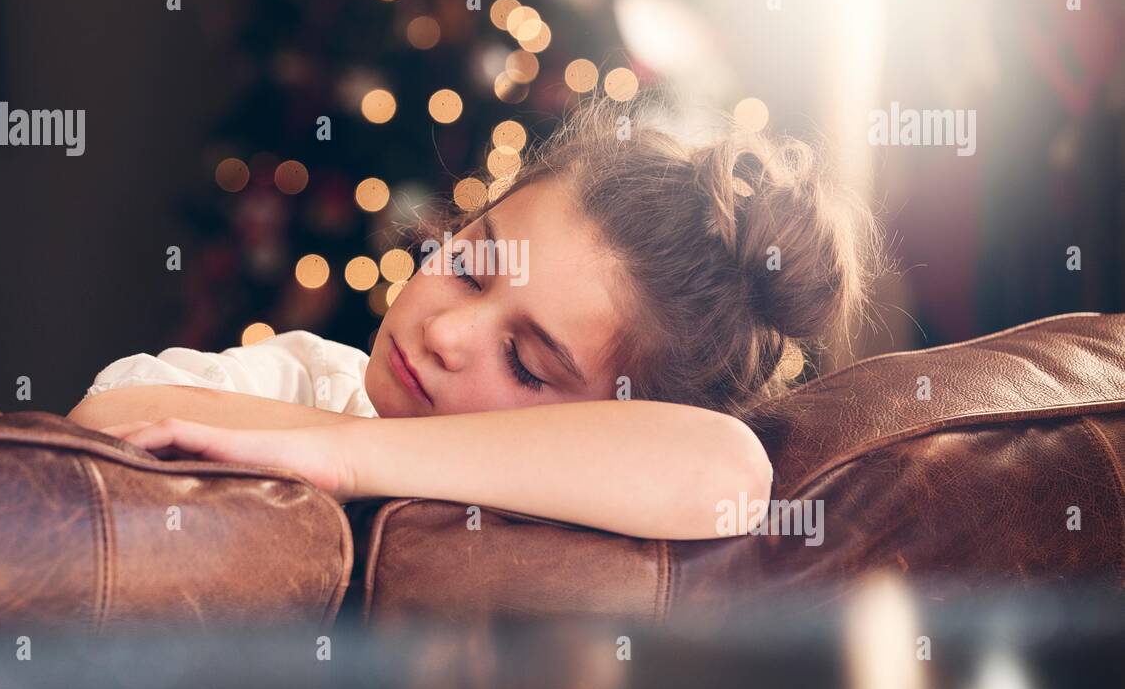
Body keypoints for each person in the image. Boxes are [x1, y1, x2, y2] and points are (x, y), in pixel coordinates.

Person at [69, 86, 881, 540]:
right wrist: (344, 441)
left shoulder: (616, 509)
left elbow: (729, 470)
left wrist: (357, 464)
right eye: (467, 265)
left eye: (527, 363)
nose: (447, 334)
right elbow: (107, 418)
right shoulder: (310, 385)